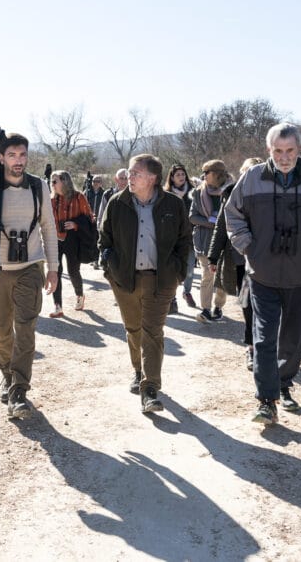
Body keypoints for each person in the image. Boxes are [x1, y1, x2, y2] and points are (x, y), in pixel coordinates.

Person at [225, 123, 301, 424]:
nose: (284, 157)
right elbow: (232, 214)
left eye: (289, 150)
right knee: (264, 338)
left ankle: (283, 383)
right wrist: (249, 247)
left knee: (293, 339)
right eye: (278, 151)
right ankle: (266, 400)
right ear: (269, 150)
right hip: (262, 274)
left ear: (298, 149)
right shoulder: (252, 178)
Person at [0, 132, 59, 419]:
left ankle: (19, 391)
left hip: (30, 267)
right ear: (1, 158)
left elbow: (48, 227)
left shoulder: (38, 186)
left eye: (22, 155)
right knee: (2, 329)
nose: (18, 160)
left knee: (25, 328)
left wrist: (53, 268)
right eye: (12, 155)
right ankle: (7, 374)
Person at [98, 153, 192, 413]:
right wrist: (110, 269)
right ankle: (138, 370)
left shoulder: (173, 204)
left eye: (135, 173)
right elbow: (104, 238)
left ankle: (149, 389)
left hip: (160, 280)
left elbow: (185, 240)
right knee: (133, 328)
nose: (129, 177)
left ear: (152, 178)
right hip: (124, 279)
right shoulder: (117, 203)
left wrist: (177, 273)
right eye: (129, 172)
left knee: (152, 331)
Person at [208, 157, 264, 370]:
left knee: (266, 306)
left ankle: (266, 345)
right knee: (247, 304)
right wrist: (213, 257)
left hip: (267, 262)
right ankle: (251, 347)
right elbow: (221, 226)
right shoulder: (231, 194)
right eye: (246, 172)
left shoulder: (272, 193)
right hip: (241, 262)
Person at [189, 160, 234, 322]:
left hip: (225, 241)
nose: (203, 176)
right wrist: (211, 222)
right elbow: (192, 217)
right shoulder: (198, 192)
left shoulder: (232, 191)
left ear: (217, 174)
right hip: (204, 241)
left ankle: (218, 307)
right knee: (207, 276)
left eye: (206, 172)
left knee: (221, 278)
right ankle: (205, 310)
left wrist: (222, 224)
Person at [48, 170, 94, 317]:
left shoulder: (79, 197)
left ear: (64, 182)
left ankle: (79, 295)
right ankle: (58, 306)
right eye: (51, 181)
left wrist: (76, 224)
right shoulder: (51, 200)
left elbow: (90, 218)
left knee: (73, 270)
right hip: (54, 239)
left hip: (73, 238)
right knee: (56, 271)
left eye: (55, 181)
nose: (52, 184)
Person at [163, 163, 196, 313]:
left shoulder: (193, 192)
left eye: (183, 174)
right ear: (171, 178)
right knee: (172, 269)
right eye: (178, 175)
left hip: (190, 236)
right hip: (172, 238)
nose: (181, 177)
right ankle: (172, 298)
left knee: (190, 268)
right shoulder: (166, 194)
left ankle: (187, 292)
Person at [85, 174, 107, 269]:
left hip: (100, 220)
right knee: (91, 240)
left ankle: (97, 260)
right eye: (94, 181)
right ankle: (93, 259)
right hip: (89, 220)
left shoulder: (105, 194)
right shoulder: (87, 192)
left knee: (98, 240)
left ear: (101, 183)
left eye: (98, 181)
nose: (95, 183)